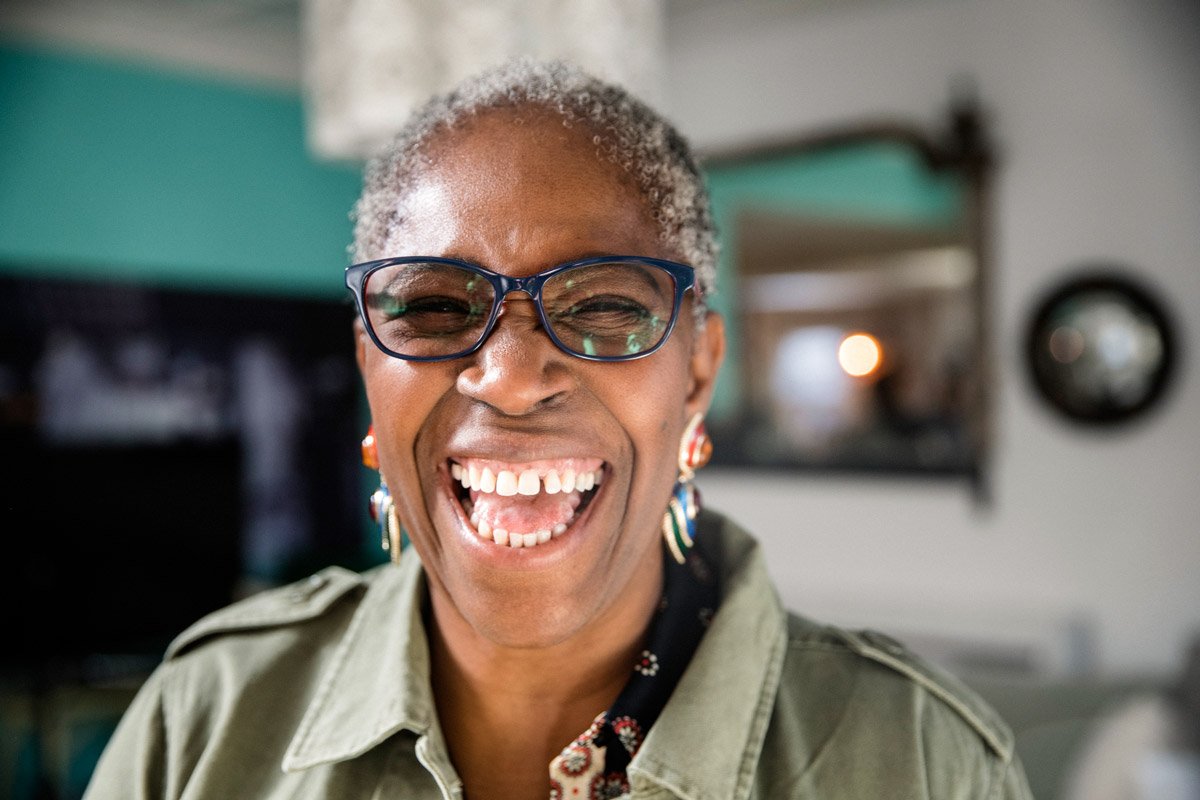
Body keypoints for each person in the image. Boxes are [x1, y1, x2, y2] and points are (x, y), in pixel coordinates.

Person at [85, 60, 1031, 799]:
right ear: (371, 365)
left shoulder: (920, 762)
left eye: (606, 304)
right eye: (434, 306)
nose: (508, 376)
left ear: (699, 368)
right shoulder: (203, 723)